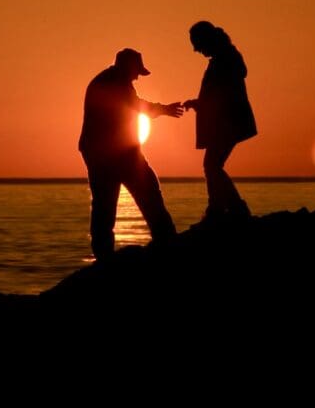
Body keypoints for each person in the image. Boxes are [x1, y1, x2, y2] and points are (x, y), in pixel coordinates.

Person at [78, 48, 184, 259]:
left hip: (108, 152)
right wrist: (164, 109)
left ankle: (104, 256)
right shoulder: (114, 83)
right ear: (128, 67)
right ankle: (167, 244)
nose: (138, 77)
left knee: (104, 205)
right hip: (114, 154)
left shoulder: (110, 81)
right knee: (144, 196)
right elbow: (136, 105)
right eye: (137, 72)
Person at [183, 21, 257, 225]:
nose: (195, 49)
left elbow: (223, 94)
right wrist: (199, 103)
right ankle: (223, 209)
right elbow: (218, 93)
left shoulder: (225, 60)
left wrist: (201, 104)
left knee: (212, 165)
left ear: (206, 40)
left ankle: (229, 210)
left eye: (196, 43)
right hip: (227, 121)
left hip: (228, 122)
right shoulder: (225, 58)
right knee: (213, 165)